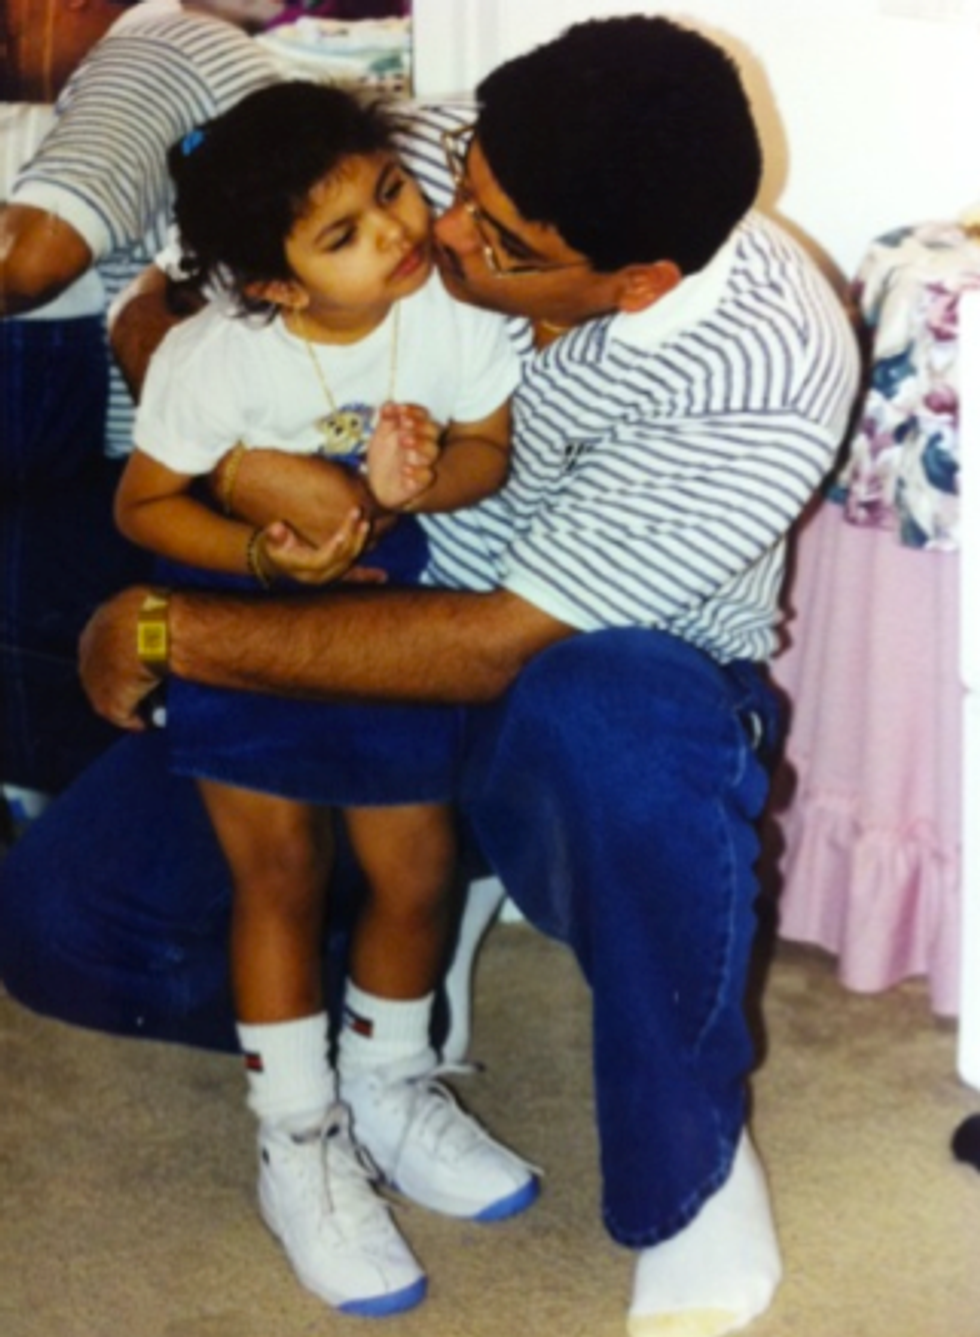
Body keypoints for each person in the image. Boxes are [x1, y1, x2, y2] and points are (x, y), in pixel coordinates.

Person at [0, 16, 861, 1337]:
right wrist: (243, 465)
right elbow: (209, 264)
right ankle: (371, 1027)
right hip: (338, 612)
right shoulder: (460, 169)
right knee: (62, 929)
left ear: (634, 283)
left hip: (559, 674)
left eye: (495, 236)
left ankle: (687, 1164)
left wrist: (172, 629)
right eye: (455, 183)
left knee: (616, 726)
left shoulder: (763, 369)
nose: (439, 235)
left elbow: (495, 641)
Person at [114, 80, 532, 1316]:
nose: (395, 232)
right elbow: (145, 505)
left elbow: (487, 448)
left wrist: (410, 487)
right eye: (343, 233)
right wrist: (259, 556)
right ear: (278, 285)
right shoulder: (212, 356)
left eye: (392, 192)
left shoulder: (447, 306)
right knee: (280, 873)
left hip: (384, 614)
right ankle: (297, 1135)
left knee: (415, 864)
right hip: (242, 614)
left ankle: (389, 1084)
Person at [0, 0, 281, 794]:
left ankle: (122, 805)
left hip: (200, 480)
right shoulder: (177, 52)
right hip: (189, 453)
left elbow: (29, 262)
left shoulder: (154, 51)